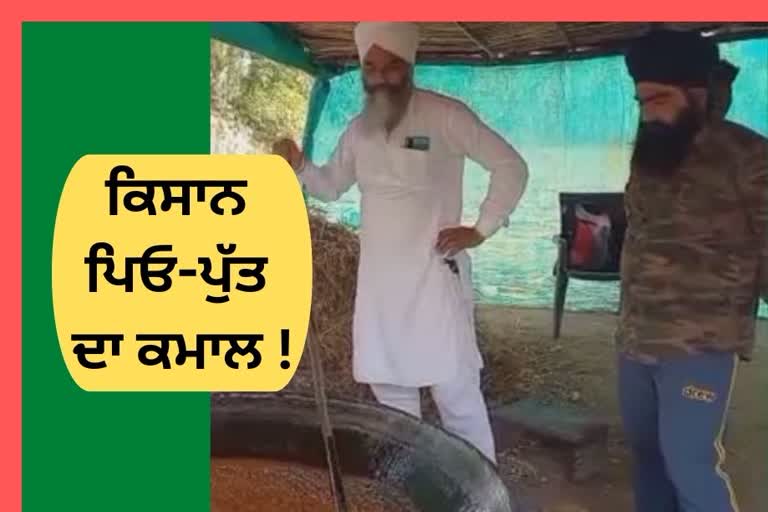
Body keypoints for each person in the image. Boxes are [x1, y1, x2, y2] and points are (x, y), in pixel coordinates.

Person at [273, 21, 529, 464]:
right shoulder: (359, 130)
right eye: (370, 67)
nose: (379, 77)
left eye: (391, 67)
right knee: (392, 399)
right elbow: (332, 185)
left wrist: (482, 228)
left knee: (456, 396)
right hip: (380, 288)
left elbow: (511, 166)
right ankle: (413, 489)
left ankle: (485, 493)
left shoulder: (446, 116)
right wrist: (299, 165)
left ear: (410, 66)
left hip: (434, 278)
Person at [618, 28, 767, 512]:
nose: (647, 111)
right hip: (635, 338)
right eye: (640, 100)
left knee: (690, 464)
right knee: (648, 457)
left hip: (701, 342)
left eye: (658, 98)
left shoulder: (749, 156)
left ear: (697, 93)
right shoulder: (651, 150)